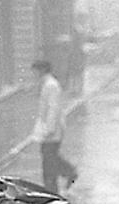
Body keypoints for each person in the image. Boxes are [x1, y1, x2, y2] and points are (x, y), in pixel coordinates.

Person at [30, 60, 78, 194]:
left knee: (49, 162)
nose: (33, 74)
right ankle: (69, 172)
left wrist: (49, 129)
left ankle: (52, 191)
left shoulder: (51, 86)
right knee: (51, 158)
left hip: (52, 131)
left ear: (41, 70)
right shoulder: (46, 84)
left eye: (35, 71)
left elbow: (53, 109)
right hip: (49, 130)